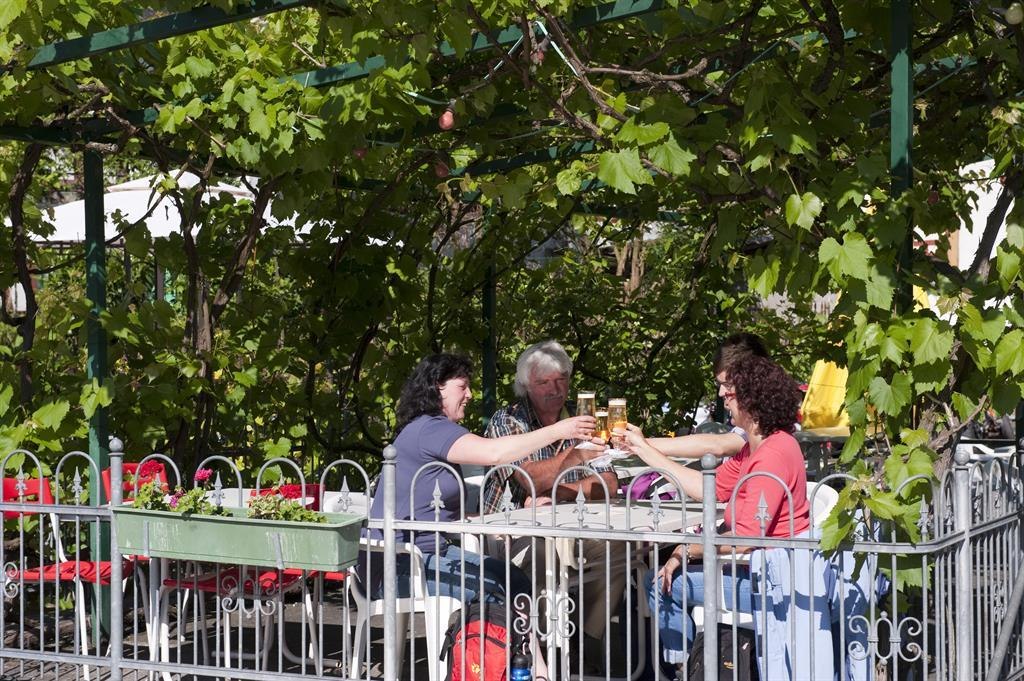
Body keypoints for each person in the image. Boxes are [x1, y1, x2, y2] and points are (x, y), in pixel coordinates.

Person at [364, 353, 596, 676]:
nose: (470, 394)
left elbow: (436, 514)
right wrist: (560, 430)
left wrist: (488, 523)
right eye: (463, 386)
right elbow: (494, 452)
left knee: (512, 579)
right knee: (496, 585)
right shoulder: (430, 428)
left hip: (428, 555)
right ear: (437, 387)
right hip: (399, 565)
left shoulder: (432, 429)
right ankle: (509, 670)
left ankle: (531, 669)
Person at [621, 355, 833, 680]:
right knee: (662, 574)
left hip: (774, 583)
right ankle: (692, 665)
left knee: (657, 584)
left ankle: (685, 669)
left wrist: (687, 549)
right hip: (758, 569)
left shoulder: (772, 455)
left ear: (752, 399)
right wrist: (644, 448)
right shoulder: (756, 448)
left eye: (730, 391)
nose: (722, 396)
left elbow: (744, 541)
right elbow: (707, 487)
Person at [480, 340, 624, 653]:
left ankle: (586, 640)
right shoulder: (509, 421)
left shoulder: (581, 419)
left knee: (620, 547)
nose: (555, 389)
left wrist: (559, 493)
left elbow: (609, 483)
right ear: (525, 386)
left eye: (561, 380)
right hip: (513, 532)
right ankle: (539, 648)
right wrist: (574, 457)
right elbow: (528, 478)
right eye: (544, 382)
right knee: (542, 553)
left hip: (572, 528)